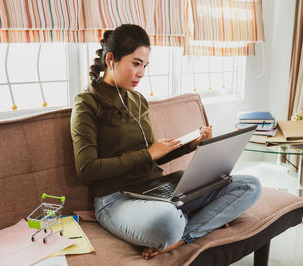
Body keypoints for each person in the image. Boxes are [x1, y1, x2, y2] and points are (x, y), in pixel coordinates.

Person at [71, 24, 261, 259]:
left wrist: (190, 145)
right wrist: (149, 154)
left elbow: (153, 153)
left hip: (158, 189)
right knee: (168, 220)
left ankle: (183, 237)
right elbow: (86, 169)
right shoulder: (87, 103)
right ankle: (194, 223)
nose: (141, 73)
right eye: (136, 63)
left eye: (145, 66)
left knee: (249, 185)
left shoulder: (138, 100)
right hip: (116, 199)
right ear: (111, 59)